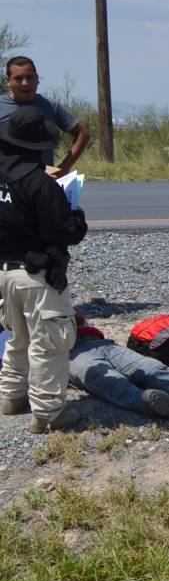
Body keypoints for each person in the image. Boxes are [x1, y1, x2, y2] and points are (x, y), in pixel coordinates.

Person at [0, 106, 88, 432]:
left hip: (4, 274)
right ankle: (49, 413)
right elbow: (65, 232)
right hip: (36, 276)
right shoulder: (40, 183)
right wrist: (74, 213)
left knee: (17, 336)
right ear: (38, 145)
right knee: (50, 343)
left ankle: (11, 397)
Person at [0, 57, 90, 177]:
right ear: (8, 81)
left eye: (29, 77)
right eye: (18, 78)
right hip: (6, 184)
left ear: (37, 79)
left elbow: (82, 134)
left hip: (42, 182)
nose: (25, 83)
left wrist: (63, 168)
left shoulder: (50, 106)